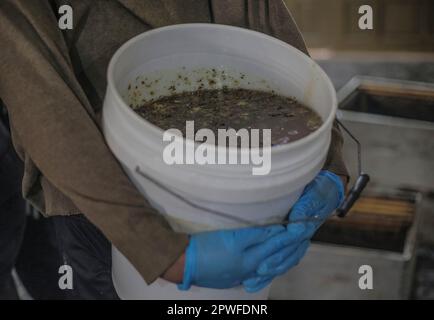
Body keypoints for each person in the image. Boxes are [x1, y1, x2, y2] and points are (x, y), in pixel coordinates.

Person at [0, 0, 348, 299]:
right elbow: (36, 85)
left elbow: (260, 18)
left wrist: (328, 160)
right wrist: (162, 253)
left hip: (239, 147)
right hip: (108, 198)